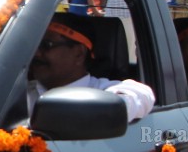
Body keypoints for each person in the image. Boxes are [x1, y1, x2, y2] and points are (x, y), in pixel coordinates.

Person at [27, 13, 155, 122]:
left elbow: (143, 95)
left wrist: (98, 110)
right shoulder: (20, 94)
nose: (36, 53)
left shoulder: (104, 91)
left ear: (79, 54)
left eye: (46, 45)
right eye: (35, 45)